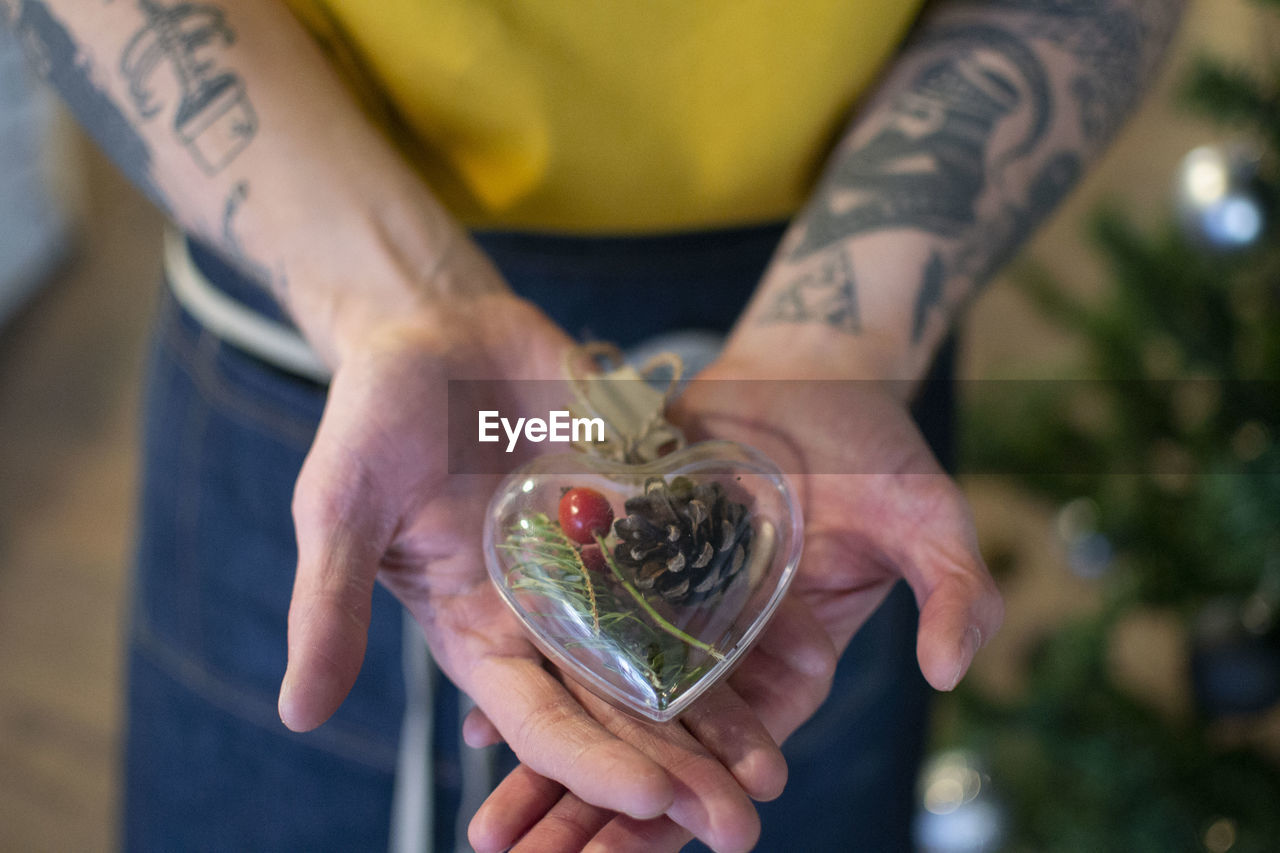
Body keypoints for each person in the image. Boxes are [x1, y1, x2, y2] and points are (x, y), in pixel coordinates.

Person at [3, 0, 1185, 850]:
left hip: (847, 336)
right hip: (322, 291)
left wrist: (839, 339)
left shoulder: (773, 509)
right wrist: (400, 305)